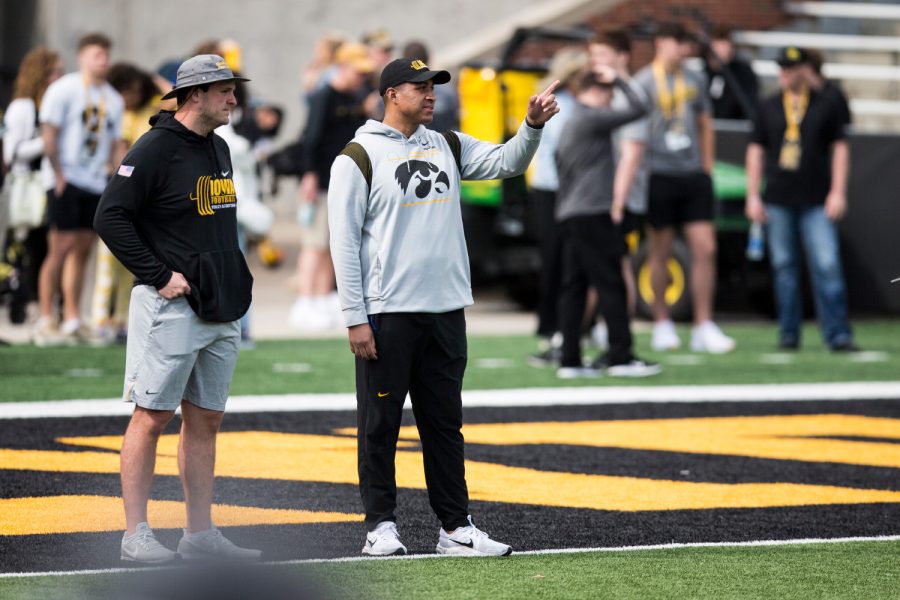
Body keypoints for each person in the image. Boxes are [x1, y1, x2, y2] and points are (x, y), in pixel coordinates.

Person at [328, 57, 559, 556]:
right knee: (379, 427)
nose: (432, 94)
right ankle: (379, 528)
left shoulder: (448, 143)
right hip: (388, 314)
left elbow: (506, 162)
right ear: (392, 93)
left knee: (444, 425)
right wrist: (354, 317)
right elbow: (343, 243)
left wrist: (532, 126)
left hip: (447, 310)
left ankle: (455, 528)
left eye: (434, 86)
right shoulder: (357, 155)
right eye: (420, 87)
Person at [94, 54, 260, 563]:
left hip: (220, 309)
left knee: (206, 420)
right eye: (225, 90)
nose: (234, 98)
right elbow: (110, 217)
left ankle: (199, 533)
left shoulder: (219, 147)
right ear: (194, 95)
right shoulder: (155, 147)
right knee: (151, 417)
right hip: (172, 308)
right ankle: (135, 534)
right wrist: (159, 274)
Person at [745, 47, 857, 352]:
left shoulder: (826, 103)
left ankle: (837, 333)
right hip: (778, 198)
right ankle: (788, 333)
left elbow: (840, 148)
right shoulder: (768, 105)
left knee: (827, 263)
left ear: (803, 70)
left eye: (791, 67)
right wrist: (753, 194)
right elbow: (756, 151)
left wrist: (838, 191)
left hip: (817, 198)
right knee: (784, 267)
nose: (785, 73)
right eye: (782, 67)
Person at [634, 22, 736, 354]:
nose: (686, 51)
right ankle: (662, 322)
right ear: (660, 42)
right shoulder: (644, 82)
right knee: (659, 250)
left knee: (705, 247)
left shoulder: (696, 78)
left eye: (687, 44)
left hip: (692, 174)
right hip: (658, 174)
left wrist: (705, 168)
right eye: (679, 43)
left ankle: (703, 324)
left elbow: (706, 125)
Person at [554, 67, 660, 379]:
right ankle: (620, 355)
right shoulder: (590, 116)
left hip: (570, 212)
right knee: (611, 282)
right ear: (598, 91)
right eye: (609, 95)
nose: (611, 100)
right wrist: (621, 79)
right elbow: (641, 107)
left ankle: (570, 359)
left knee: (574, 287)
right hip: (592, 212)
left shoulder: (571, 121)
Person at [35, 33, 127, 346]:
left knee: (83, 250)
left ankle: (73, 317)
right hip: (66, 179)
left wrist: (117, 182)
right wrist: (58, 174)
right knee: (59, 247)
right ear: (82, 56)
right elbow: (49, 133)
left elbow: (116, 145)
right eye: (97, 55)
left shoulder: (113, 98)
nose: (103, 61)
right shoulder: (63, 89)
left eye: (106, 55)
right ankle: (47, 317)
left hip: (95, 181)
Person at [289, 42, 373, 330]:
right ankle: (305, 300)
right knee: (313, 244)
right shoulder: (323, 95)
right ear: (342, 67)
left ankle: (323, 298)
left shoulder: (357, 97)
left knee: (331, 244)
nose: (361, 77)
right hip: (321, 181)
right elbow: (310, 137)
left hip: (341, 183)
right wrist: (309, 174)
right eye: (357, 71)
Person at [90, 63, 162, 343]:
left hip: (145, 197)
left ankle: (120, 320)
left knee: (130, 266)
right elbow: (119, 153)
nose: (132, 96)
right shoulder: (120, 114)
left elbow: (177, 97)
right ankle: (99, 320)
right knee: (107, 263)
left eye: (136, 90)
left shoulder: (151, 108)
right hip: (125, 191)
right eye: (126, 91)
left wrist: (151, 77)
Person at [526, 47, 586, 367]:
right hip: (554, 190)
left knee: (563, 262)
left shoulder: (570, 103)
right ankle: (554, 325)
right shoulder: (562, 104)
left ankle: (561, 325)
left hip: (557, 188)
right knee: (558, 261)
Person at [589, 29, 650, 339]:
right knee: (604, 266)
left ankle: (619, 335)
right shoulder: (609, 93)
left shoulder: (630, 94)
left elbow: (631, 153)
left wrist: (617, 202)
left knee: (619, 265)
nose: (595, 62)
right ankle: (603, 329)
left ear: (622, 57)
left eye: (602, 55)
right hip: (603, 194)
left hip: (621, 198)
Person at [1, 47, 63, 324]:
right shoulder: (23, 107)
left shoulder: (54, 106)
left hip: (50, 186)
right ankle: (29, 306)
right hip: (29, 187)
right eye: (55, 72)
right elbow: (11, 153)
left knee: (50, 247)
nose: (60, 77)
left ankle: (48, 306)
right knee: (29, 250)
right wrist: (47, 142)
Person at [702, 25, 759, 121]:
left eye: (726, 44)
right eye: (720, 43)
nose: (725, 48)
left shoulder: (742, 73)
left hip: (736, 126)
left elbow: (749, 103)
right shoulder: (704, 73)